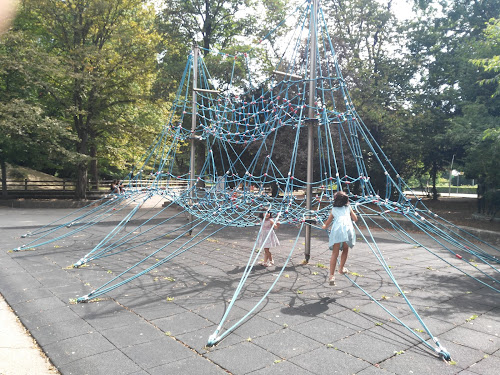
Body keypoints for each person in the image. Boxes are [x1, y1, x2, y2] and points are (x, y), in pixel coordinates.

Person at [322, 191, 358, 285]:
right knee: (345, 250)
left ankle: (331, 276)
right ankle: (341, 269)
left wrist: (324, 226)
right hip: (347, 229)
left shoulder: (334, 209)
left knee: (335, 253)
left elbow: (328, 222)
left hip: (337, 230)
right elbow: (355, 219)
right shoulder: (348, 207)